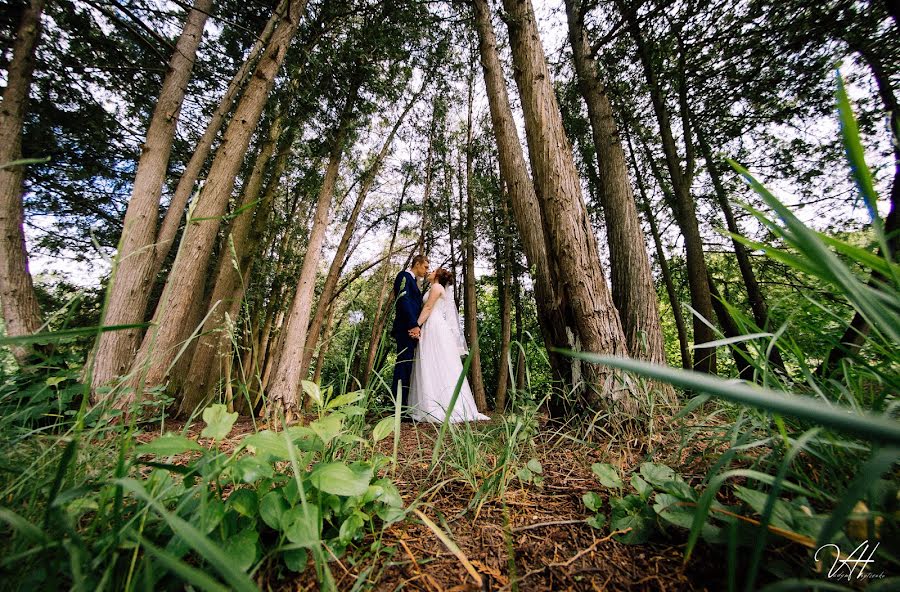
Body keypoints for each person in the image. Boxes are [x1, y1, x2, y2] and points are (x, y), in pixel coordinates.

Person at [408, 267, 489, 423]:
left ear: (437, 276)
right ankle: (432, 403)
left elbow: (428, 307)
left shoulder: (437, 287)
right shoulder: (435, 287)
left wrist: (416, 325)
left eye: (432, 271)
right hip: (433, 325)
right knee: (435, 362)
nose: (429, 273)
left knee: (433, 361)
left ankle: (438, 406)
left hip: (434, 326)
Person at [391, 255, 429, 410]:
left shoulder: (413, 281)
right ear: (417, 264)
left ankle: (403, 406)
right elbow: (403, 301)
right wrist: (413, 325)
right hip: (406, 328)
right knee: (403, 366)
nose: (427, 270)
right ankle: (397, 408)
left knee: (407, 367)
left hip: (411, 330)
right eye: (425, 267)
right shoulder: (404, 276)